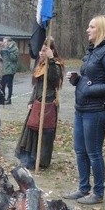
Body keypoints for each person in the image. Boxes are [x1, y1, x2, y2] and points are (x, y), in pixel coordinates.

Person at [62, 14, 105, 205]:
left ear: (102, 29)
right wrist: (77, 80)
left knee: (94, 152)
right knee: (80, 151)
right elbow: (90, 78)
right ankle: (83, 189)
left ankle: (98, 193)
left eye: (92, 27)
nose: (88, 30)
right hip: (81, 109)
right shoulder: (92, 51)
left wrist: (89, 89)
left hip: (96, 111)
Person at [15, 38, 64, 170]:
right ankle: (30, 158)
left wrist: (51, 60)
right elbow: (37, 87)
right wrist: (31, 101)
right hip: (37, 102)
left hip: (48, 103)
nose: (41, 53)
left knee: (45, 133)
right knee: (31, 130)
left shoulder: (56, 65)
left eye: (44, 50)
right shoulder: (40, 65)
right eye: (41, 50)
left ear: (51, 50)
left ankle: (41, 161)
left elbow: (54, 80)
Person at [0, 36, 19, 104]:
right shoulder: (3, 48)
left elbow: (15, 59)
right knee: (2, 85)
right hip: (3, 69)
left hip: (10, 70)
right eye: (3, 42)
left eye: (5, 42)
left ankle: (9, 99)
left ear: (9, 42)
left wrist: (8, 52)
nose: (4, 43)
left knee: (9, 85)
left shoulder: (15, 48)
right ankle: (2, 98)